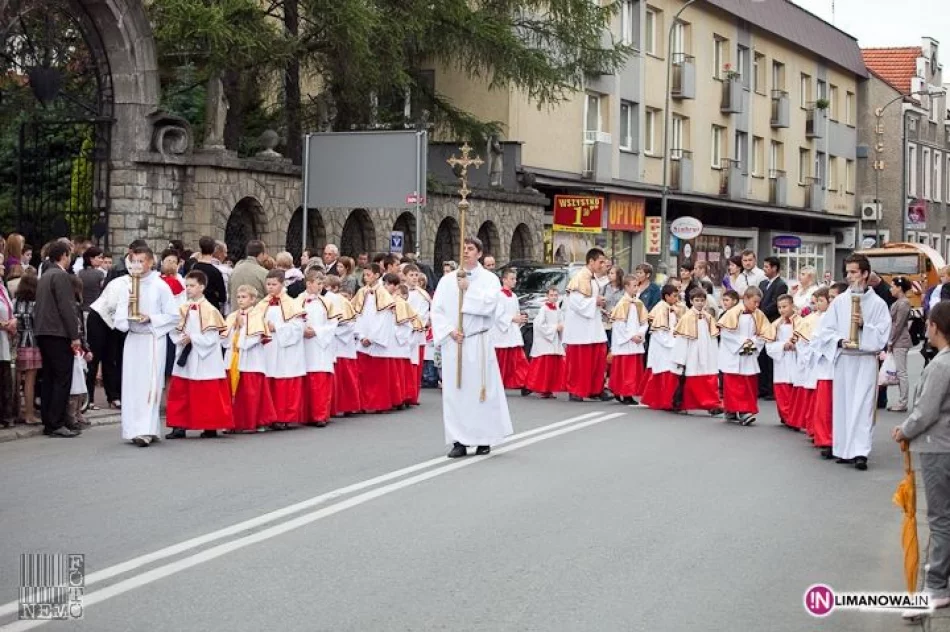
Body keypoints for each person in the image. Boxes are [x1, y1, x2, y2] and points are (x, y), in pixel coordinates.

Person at [892, 301, 950, 621]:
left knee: (940, 519)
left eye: (929, 323)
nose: (926, 328)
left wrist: (904, 430)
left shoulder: (942, 364)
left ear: (936, 327)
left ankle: (936, 587)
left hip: (939, 447)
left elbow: (926, 411)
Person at [431, 236, 512, 457]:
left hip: (478, 342)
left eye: (470, 249)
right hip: (455, 343)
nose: (466, 252)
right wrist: (449, 331)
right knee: (455, 393)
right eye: (463, 248)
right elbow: (436, 310)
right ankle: (459, 440)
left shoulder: (489, 280)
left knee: (480, 393)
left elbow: (490, 306)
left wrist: (468, 289)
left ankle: (483, 439)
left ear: (479, 253)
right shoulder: (447, 280)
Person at [812, 254, 891, 470]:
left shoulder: (878, 304)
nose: (850, 277)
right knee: (844, 405)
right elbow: (824, 330)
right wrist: (839, 341)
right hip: (845, 359)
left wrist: (866, 326)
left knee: (862, 406)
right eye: (847, 272)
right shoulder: (839, 301)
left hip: (865, 360)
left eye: (854, 272)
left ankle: (860, 452)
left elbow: (884, 334)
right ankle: (844, 449)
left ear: (865, 274)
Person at [115, 245, 180, 446]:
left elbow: (173, 315)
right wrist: (127, 312)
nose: (137, 265)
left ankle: (147, 429)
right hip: (134, 338)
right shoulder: (127, 285)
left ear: (151, 262)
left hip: (152, 338)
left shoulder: (160, 286)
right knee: (132, 384)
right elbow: (119, 317)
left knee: (149, 384)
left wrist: (150, 318)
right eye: (134, 261)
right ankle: (133, 428)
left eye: (141, 261)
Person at [164, 270, 233, 439]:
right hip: (185, 356)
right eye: (187, 285)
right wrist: (181, 339)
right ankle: (179, 426)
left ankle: (210, 426)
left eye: (192, 286)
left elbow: (212, 337)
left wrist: (193, 338)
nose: (188, 289)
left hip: (205, 357)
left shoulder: (210, 310)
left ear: (201, 287)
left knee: (207, 392)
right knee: (181, 391)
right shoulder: (182, 308)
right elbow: (173, 329)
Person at [35, 242, 80, 437]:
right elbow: (67, 307)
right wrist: (75, 335)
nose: (70, 259)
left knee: (49, 378)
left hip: (43, 332)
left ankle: (49, 420)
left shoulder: (45, 275)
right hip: (58, 332)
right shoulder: (60, 276)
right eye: (69, 255)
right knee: (62, 378)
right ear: (63, 255)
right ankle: (57, 422)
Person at [221, 285, 276, 433]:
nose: (240, 300)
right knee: (233, 392)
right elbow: (224, 340)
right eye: (238, 297)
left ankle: (250, 422)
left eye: (244, 297)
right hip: (233, 359)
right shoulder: (232, 316)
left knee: (250, 393)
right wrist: (235, 329)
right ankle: (233, 423)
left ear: (252, 299)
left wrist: (240, 335)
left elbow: (256, 338)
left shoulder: (257, 316)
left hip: (250, 359)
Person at [717, 287, 773, 425]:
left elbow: (764, 333)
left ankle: (744, 410)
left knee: (747, 383)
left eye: (759, 302)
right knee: (734, 383)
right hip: (733, 354)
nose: (757, 305)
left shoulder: (758, 315)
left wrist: (752, 343)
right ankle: (734, 410)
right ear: (746, 299)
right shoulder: (732, 313)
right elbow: (726, 334)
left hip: (749, 353)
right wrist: (743, 341)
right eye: (754, 302)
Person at [259, 269, 307, 428]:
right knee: (270, 378)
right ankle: (269, 415)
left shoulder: (291, 304)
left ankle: (284, 416)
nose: (270, 287)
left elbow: (298, 327)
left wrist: (277, 328)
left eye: (274, 284)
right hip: (268, 348)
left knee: (284, 382)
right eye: (268, 284)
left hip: (284, 349)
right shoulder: (263, 303)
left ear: (282, 284)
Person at [563, 248, 612, 402]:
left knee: (597, 359)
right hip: (580, 328)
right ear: (591, 261)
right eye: (600, 262)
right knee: (581, 362)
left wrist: (601, 308)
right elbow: (576, 303)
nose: (602, 264)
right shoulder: (580, 279)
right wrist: (594, 302)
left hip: (593, 326)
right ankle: (576, 389)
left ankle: (595, 388)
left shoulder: (592, 278)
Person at [353, 263, 399, 413]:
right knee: (363, 373)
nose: (366, 277)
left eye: (369, 274)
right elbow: (357, 315)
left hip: (376, 339)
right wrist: (360, 335)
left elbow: (383, 319)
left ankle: (378, 403)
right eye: (364, 275)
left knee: (377, 374)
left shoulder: (384, 294)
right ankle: (363, 402)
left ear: (377, 275)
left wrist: (371, 338)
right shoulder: (361, 292)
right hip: (363, 336)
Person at [671, 288, 723, 415]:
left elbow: (713, 339)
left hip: (707, 353)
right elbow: (682, 341)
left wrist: (715, 356)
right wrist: (681, 360)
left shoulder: (709, 318)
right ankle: (686, 403)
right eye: (697, 300)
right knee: (692, 379)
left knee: (709, 379)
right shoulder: (686, 318)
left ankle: (712, 404)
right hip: (692, 353)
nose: (700, 303)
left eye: (702, 300)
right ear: (691, 301)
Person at [795, 286, 834, 449]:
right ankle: (813, 429)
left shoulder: (830, 317)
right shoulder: (810, 319)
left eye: (821, 300)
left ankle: (820, 431)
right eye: (815, 301)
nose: (818, 304)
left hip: (824, 361)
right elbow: (803, 341)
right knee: (814, 398)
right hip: (813, 360)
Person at [299, 270, 338, 427]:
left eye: (322, 283)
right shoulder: (297, 301)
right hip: (303, 344)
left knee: (320, 380)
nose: (321, 286)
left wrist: (316, 331)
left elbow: (333, 323)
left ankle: (320, 415)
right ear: (309, 284)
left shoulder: (327, 302)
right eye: (318, 283)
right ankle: (305, 414)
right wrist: (301, 330)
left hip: (320, 344)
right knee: (305, 379)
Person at [608, 274, 649, 405]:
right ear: (626, 287)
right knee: (625, 369)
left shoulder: (639, 303)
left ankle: (629, 393)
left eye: (637, 286)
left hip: (635, 340)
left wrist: (641, 334)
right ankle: (623, 392)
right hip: (626, 342)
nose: (636, 288)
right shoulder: (622, 304)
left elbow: (644, 322)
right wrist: (631, 336)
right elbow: (619, 324)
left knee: (633, 370)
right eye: (634, 286)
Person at [324, 275, 361, 417]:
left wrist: (332, 331)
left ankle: (349, 405)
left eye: (326, 286)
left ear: (334, 288)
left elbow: (349, 324)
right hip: (331, 342)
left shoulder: (342, 302)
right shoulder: (324, 300)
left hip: (342, 344)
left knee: (346, 377)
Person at [640, 285, 682, 411]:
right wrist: (672, 343)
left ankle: (665, 400)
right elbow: (659, 331)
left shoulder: (669, 308)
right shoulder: (661, 309)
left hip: (667, 344)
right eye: (674, 296)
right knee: (665, 372)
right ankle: (664, 401)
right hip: (663, 346)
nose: (676, 298)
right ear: (666, 296)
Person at [523, 286, 566, 399]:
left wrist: (561, 328)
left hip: (554, 340)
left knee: (553, 367)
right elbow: (539, 325)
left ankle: (550, 388)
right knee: (544, 366)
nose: (554, 297)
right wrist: (554, 328)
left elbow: (561, 322)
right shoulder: (543, 309)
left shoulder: (558, 309)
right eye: (551, 295)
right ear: (547, 296)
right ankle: (539, 387)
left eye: (556, 295)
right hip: (546, 341)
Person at [765, 295, 800, 428]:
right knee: (783, 390)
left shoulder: (801, 322)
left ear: (792, 305)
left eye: (784, 306)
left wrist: (797, 346)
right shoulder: (775, 325)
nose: (781, 310)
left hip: (796, 359)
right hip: (782, 360)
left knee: (795, 390)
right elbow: (769, 345)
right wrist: (782, 346)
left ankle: (795, 417)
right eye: (779, 307)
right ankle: (786, 416)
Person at [493, 267, 529, 390]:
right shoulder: (498, 295)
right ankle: (498, 384)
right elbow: (497, 315)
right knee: (502, 363)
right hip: (502, 334)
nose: (515, 281)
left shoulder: (513, 296)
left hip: (512, 333)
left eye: (515, 279)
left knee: (519, 361)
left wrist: (520, 319)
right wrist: (512, 319)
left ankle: (525, 382)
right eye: (512, 279)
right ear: (504, 280)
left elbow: (516, 312)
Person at [757, 257, 787, 399]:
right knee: (761, 355)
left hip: (772, 321)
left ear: (775, 268)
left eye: (767, 267)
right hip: (762, 323)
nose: (765, 269)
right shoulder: (762, 283)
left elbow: (776, 304)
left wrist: (761, 313)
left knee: (770, 357)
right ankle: (762, 386)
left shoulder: (780, 284)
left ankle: (770, 388)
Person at [14, 271, 41, 425]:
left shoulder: (14, 301)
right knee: (30, 381)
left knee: (16, 381)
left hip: (17, 342)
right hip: (32, 343)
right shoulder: (36, 304)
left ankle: (16, 411)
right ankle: (29, 414)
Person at [887, 276, 914, 413]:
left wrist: (891, 341)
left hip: (900, 341)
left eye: (892, 286)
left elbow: (898, 324)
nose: (891, 289)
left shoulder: (903, 303)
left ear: (899, 288)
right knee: (900, 371)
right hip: (898, 340)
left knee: (901, 372)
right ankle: (901, 401)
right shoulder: (899, 302)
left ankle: (903, 402)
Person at [405, 265, 430, 406]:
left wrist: (414, 324)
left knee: (416, 365)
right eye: (411, 275)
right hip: (403, 332)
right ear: (404, 276)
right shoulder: (401, 292)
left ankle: (413, 394)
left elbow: (423, 313)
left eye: (416, 275)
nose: (414, 278)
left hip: (417, 333)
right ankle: (404, 393)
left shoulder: (422, 294)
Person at [229, 240, 268, 311]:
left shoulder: (234, 271)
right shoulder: (264, 273)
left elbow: (229, 292)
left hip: (236, 315)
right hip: (255, 315)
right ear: (261, 254)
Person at [602, 266, 625, 346]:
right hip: (605, 322)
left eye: (612, 273)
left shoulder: (624, 289)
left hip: (618, 322)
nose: (609, 275)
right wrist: (604, 311)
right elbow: (598, 304)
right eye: (608, 273)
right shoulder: (604, 288)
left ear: (618, 275)